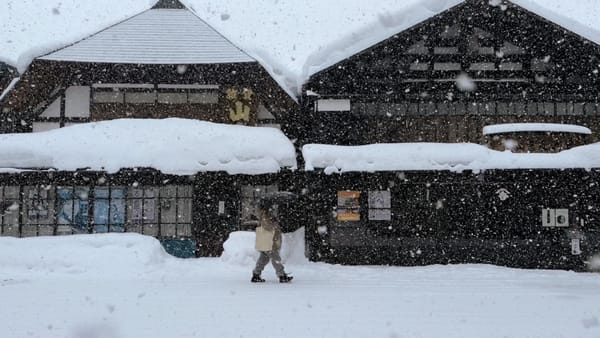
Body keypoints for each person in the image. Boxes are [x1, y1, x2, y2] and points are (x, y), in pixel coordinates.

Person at [251, 203, 293, 283]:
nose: (273, 208)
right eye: (271, 207)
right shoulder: (265, 216)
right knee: (276, 259)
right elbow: (267, 227)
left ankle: (256, 274)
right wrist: (275, 224)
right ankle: (282, 275)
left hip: (266, 241)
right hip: (270, 242)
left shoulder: (265, 215)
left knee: (263, 259)